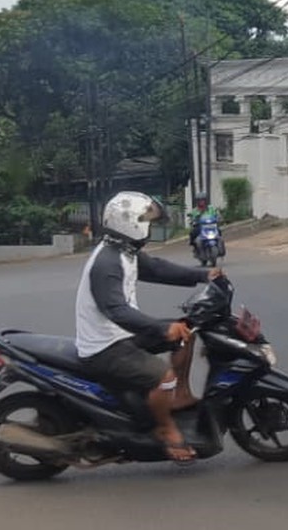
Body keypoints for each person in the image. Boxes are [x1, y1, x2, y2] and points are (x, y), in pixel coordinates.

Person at [74, 191, 222, 463]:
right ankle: (164, 428)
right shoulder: (107, 262)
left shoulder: (124, 250)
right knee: (164, 377)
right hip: (104, 347)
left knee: (186, 332)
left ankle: (180, 396)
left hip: (121, 335)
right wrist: (160, 329)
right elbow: (116, 310)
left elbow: (156, 269)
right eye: (147, 221)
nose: (150, 227)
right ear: (131, 223)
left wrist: (203, 275)